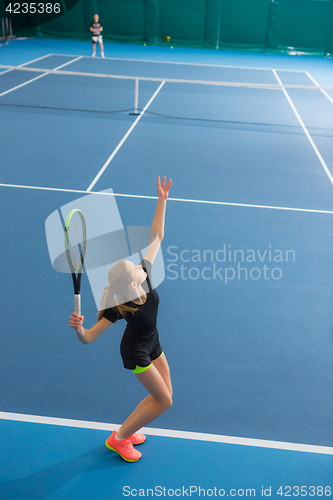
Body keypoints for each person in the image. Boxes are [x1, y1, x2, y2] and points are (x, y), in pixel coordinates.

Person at [69, 176, 173, 463]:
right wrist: (79, 329)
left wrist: (161, 199)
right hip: (137, 352)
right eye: (136, 270)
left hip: (154, 342)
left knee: (164, 397)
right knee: (164, 401)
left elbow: (156, 236)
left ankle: (128, 429)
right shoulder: (119, 306)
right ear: (130, 284)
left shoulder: (144, 275)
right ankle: (119, 438)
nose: (142, 268)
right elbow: (89, 338)